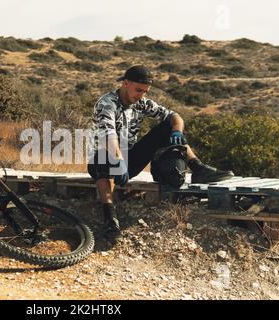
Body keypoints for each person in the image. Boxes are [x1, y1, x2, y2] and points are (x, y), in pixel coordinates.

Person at [87, 65, 234, 242]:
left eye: (145, 91)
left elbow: (174, 115)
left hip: (129, 159)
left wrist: (177, 131)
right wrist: (118, 162)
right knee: (103, 162)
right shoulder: (107, 104)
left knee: (167, 127)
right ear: (125, 83)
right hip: (104, 157)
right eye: (138, 90)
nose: (141, 95)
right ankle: (111, 219)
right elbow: (109, 137)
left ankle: (198, 167)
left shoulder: (142, 103)